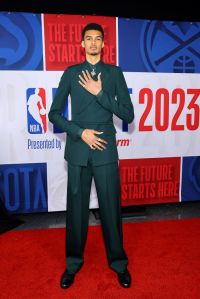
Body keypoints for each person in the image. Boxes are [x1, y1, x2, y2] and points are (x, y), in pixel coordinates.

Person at [48, 23, 134, 289]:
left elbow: (128, 115)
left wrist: (101, 93)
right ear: (82, 44)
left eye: (98, 39)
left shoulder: (114, 73)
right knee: (76, 213)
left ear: (104, 44)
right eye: (89, 39)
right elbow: (54, 114)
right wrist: (79, 132)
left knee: (110, 210)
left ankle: (119, 264)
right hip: (78, 150)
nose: (94, 43)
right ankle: (72, 264)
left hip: (106, 150)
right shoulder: (72, 73)